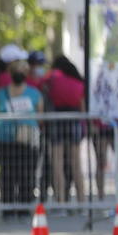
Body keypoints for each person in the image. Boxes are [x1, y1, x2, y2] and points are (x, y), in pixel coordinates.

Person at [0, 56, 44, 220]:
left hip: (28, 139)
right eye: (17, 71)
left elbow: (41, 117)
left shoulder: (35, 94)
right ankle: (7, 208)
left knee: (27, 173)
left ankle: (24, 207)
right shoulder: (0, 94)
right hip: (5, 139)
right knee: (7, 173)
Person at [40, 55, 86, 206]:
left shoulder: (52, 77)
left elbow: (40, 85)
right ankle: (82, 201)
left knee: (57, 163)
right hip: (74, 122)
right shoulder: (78, 82)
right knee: (76, 164)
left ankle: (60, 201)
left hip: (56, 122)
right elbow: (82, 107)